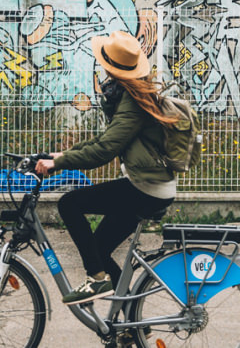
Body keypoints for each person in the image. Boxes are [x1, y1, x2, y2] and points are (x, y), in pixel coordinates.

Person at [34, 30, 180, 305]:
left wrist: (60, 163)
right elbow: (103, 140)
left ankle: (98, 279)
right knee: (98, 249)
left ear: (111, 67)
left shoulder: (133, 101)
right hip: (147, 185)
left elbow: (104, 150)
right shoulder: (129, 94)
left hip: (146, 189)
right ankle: (129, 322)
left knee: (69, 204)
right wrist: (60, 155)